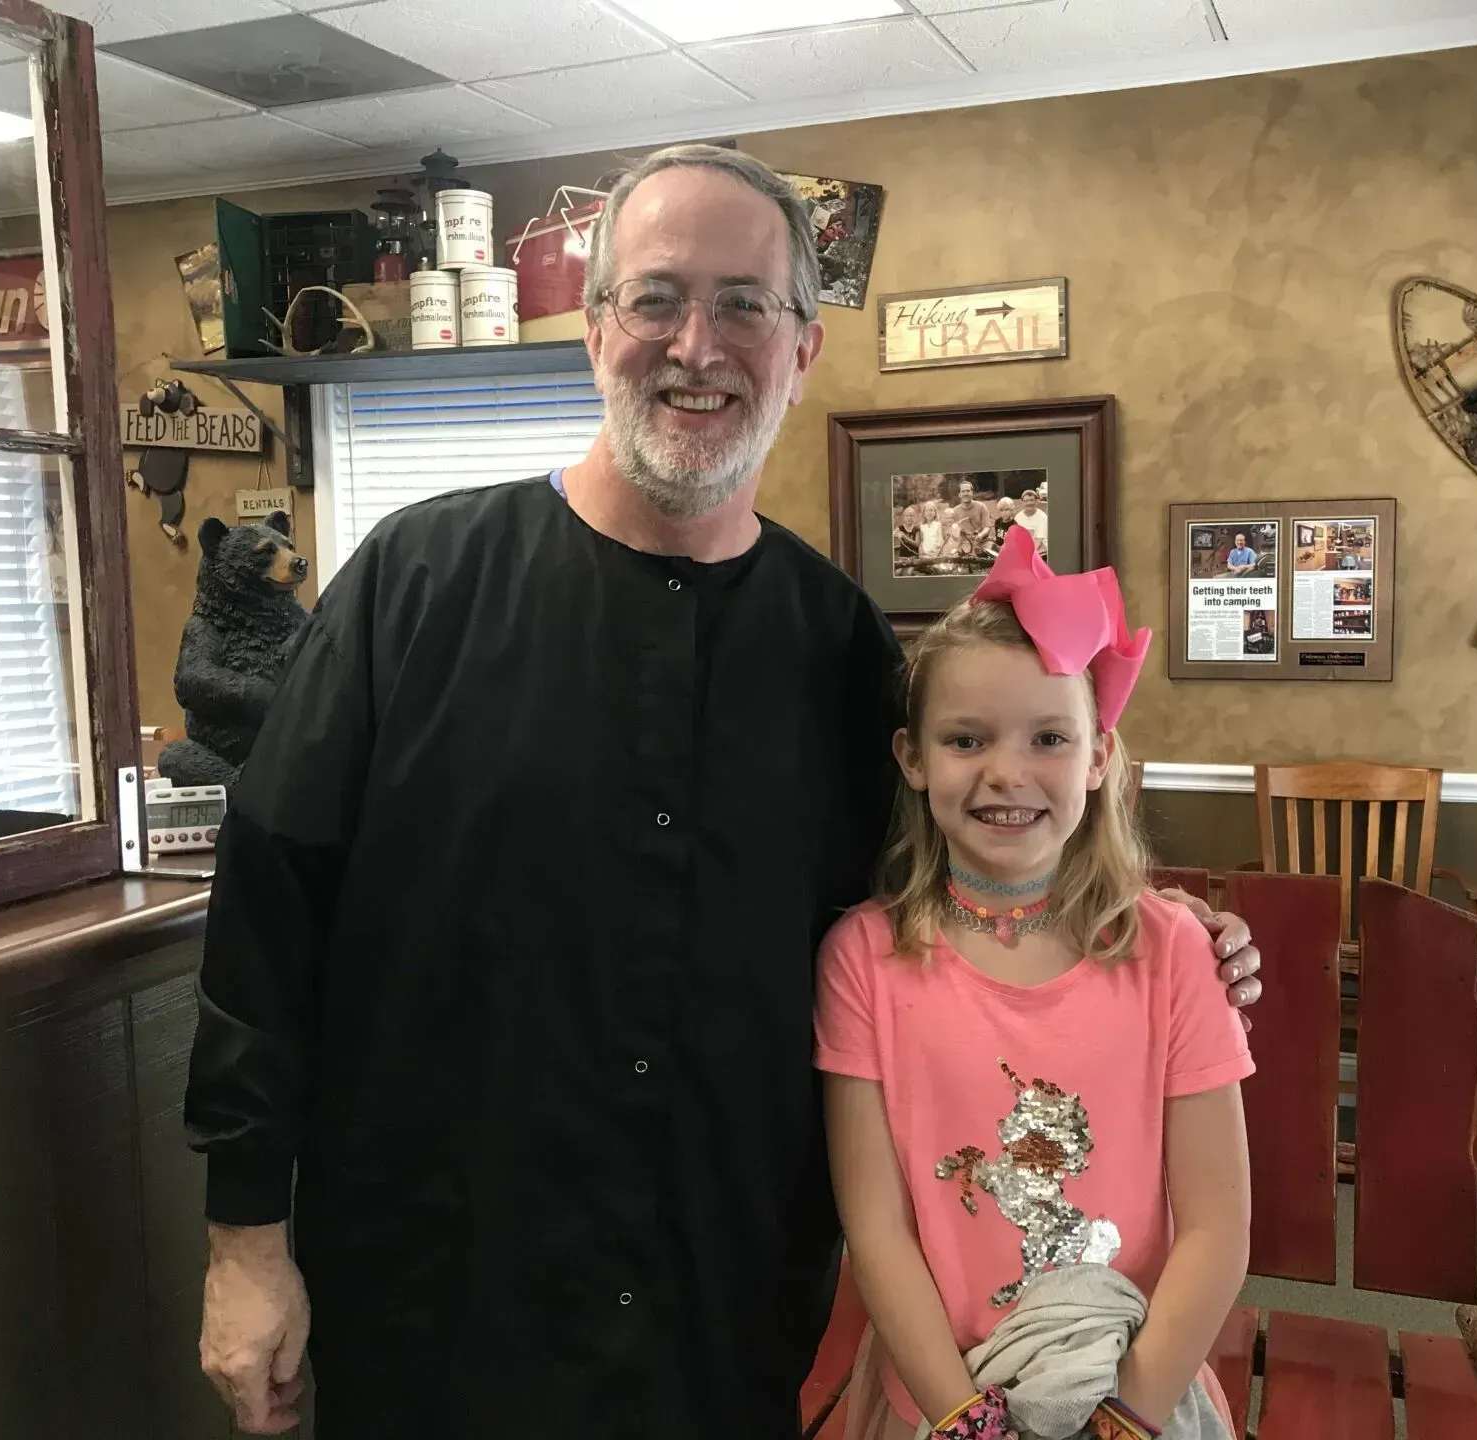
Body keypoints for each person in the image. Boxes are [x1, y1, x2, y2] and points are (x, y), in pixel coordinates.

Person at [183, 143, 1262, 1440]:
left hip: (724, 1324)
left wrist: (1154, 931)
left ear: (804, 352)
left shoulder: (844, 651)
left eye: (745, 303)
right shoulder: (411, 589)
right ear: (593, 332)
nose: (698, 343)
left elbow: (961, 905)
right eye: (655, 297)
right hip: (436, 1313)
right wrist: (244, 1239)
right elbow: (267, 915)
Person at [819, 528, 1251, 1440]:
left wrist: (1125, 1416)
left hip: (1130, 1390)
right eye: (966, 739)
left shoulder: (1173, 953)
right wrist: (965, 1421)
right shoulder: (862, 960)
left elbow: (1217, 1225)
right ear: (912, 757)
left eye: (1050, 738)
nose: (1006, 773)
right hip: (942, 1400)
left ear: (1098, 758)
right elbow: (878, 1228)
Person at [1014, 488, 1049, 555]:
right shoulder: (1018, 517)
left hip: (1040, 550)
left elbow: (1039, 541)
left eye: (1031, 500)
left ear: (1036, 501)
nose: (1029, 503)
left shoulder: (1042, 517)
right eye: (1026, 501)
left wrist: (1029, 553)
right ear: (1022, 503)